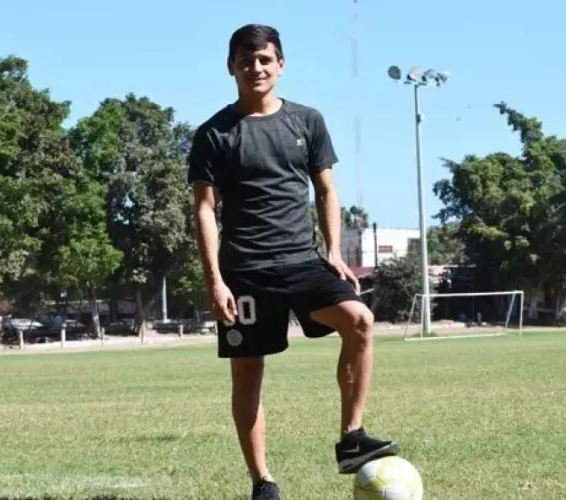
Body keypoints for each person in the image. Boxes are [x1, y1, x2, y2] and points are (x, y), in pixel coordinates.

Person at [187, 24, 399, 500]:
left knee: (360, 320)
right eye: (246, 59)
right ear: (230, 67)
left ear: (280, 65)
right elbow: (205, 209)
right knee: (247, 373)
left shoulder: (307, 122)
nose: (255, 68)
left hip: (303, 262)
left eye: (265, 59)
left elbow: (326, 190)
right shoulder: (214, 134)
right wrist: (216, 280)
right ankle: (262, 482)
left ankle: (352, 438)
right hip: (245, 272)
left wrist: (332, 250)